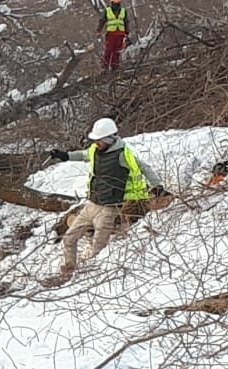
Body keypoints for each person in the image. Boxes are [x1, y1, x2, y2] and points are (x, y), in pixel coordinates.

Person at [47, 118, 169, 278]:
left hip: (110, 207)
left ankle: (91, 279)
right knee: (69, 239)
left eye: (99, 140)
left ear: (109, 139)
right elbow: (83, 155)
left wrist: (157, 185)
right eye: (96, 139)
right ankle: (68, 271)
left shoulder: (123, 155)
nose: (96, 142)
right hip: (92, 203)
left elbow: (144, 168)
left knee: (98, 247)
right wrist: (65, 156)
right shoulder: (94, 150)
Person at [96, 0, 131, 70]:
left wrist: (127, 32)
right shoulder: (107, 10)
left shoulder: (123, 11)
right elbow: (102, 20)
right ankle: (105, 66)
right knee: (109, 50)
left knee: (117, 51)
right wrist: (99, 30)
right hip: (111, 33)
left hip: (120, 34)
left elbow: (126, 22)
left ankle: (115, 66)